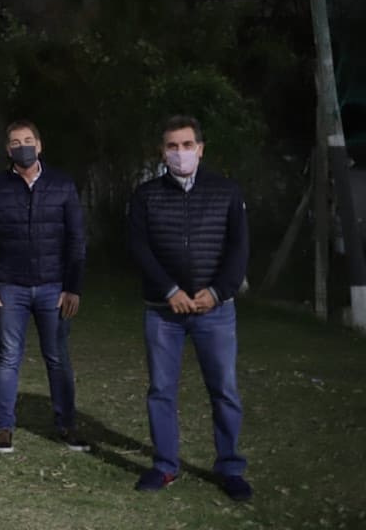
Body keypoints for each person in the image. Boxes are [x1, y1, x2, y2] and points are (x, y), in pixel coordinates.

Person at [128, 115, 252, 501]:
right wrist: (169, 291)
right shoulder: (145, 195)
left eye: (186, 145)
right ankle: (165, 466)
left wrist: (217, 291)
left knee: (224, 390)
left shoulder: (227, 192)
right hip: (164, 311)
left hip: (214, 310)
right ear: (162, 152)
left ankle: (230, 467)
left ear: (200, 148)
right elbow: (138, 248)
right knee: (161, 390)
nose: (179, 153)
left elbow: (239, 249)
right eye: (172, 146)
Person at [0, 120, 89, 454]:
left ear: (39, 145)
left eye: (28, 140)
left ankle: (67, 425)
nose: (22, 146)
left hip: (55, 287)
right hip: (9, 287)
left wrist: (73, 287)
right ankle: (4, 429)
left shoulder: (62, 185)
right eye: (15, 142)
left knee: (57, 357)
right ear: (7, 149)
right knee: (8, 357)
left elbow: (76, 240)